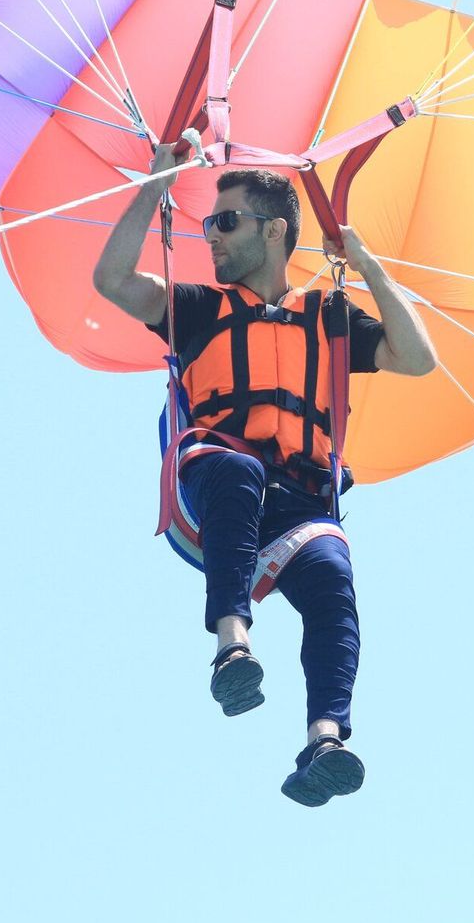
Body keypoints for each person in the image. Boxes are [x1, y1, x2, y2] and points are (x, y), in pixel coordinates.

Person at [93, 141, 438, 805]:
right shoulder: (198, 307)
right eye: (206, 224)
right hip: (214, 492)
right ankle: (232, 646)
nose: (211, 236)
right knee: (237, 470)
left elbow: (417, 358)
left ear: (273, 231)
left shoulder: (329, 319)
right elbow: (112, 282)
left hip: (300, 505)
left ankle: (325, 742)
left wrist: (362, 263)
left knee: (335, 572)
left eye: (225, 223)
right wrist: (156, 183)